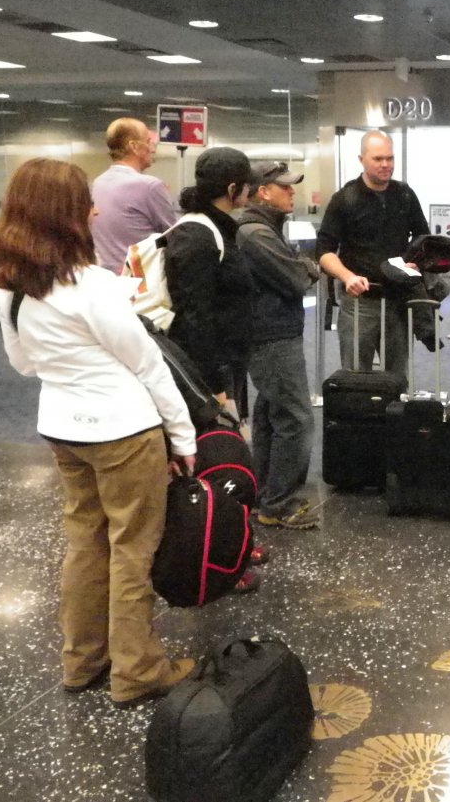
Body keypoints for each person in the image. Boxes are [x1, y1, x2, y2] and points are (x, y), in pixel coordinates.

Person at [0, 158, 196, 708]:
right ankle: (138, 670)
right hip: (125, 430)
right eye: (85, 201)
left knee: (84, 543)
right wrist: (184, 437)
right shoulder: (92, 285)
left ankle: (81, 662)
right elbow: (148, 365)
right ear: (67, 215)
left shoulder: (6, 288)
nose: (95, 209)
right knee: (133, 549)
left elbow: (23, 365)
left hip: (62, 427)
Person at [166, 147, 266, 587]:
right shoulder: (198, 235)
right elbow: (195, 320)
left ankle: (234, 543)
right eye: (248, 184)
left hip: (226, 365)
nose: (252, 190)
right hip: (205, 375)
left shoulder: (217, 228)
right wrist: (218, 387)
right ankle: (216, 555)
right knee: (215, 463)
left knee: (225, 457)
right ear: (232, 189)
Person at [234, 161, 319, 529]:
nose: (293, 192)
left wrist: (301, 264)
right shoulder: (256, 234)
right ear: (263, 191)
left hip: (271, 332)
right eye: (285, 187)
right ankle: (277, 501)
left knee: (271, 417)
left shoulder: (265, 229)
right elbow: (299, 277)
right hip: (271, 337)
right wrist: (306, 266)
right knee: (296, 420)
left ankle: (264, 495)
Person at [314, 130, 430, 381]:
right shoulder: (345, 198)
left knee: (397, 378)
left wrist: (415, 262)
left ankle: (394, 422)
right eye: (378, 159)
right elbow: (323, 251)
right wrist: (347, 277)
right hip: (359, 303)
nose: (386, 164)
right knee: (356, 379)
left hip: (398, 300)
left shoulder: (405, 195)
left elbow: (423, 238)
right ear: (361, 159)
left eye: (390, 158)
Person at [90, 118, 177, 274]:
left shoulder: (97, 183)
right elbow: (174, 239)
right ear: (134, 146)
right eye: (149, 141)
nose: (153, 148)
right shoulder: (150, 186)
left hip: (106, 280)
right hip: (141, 285)